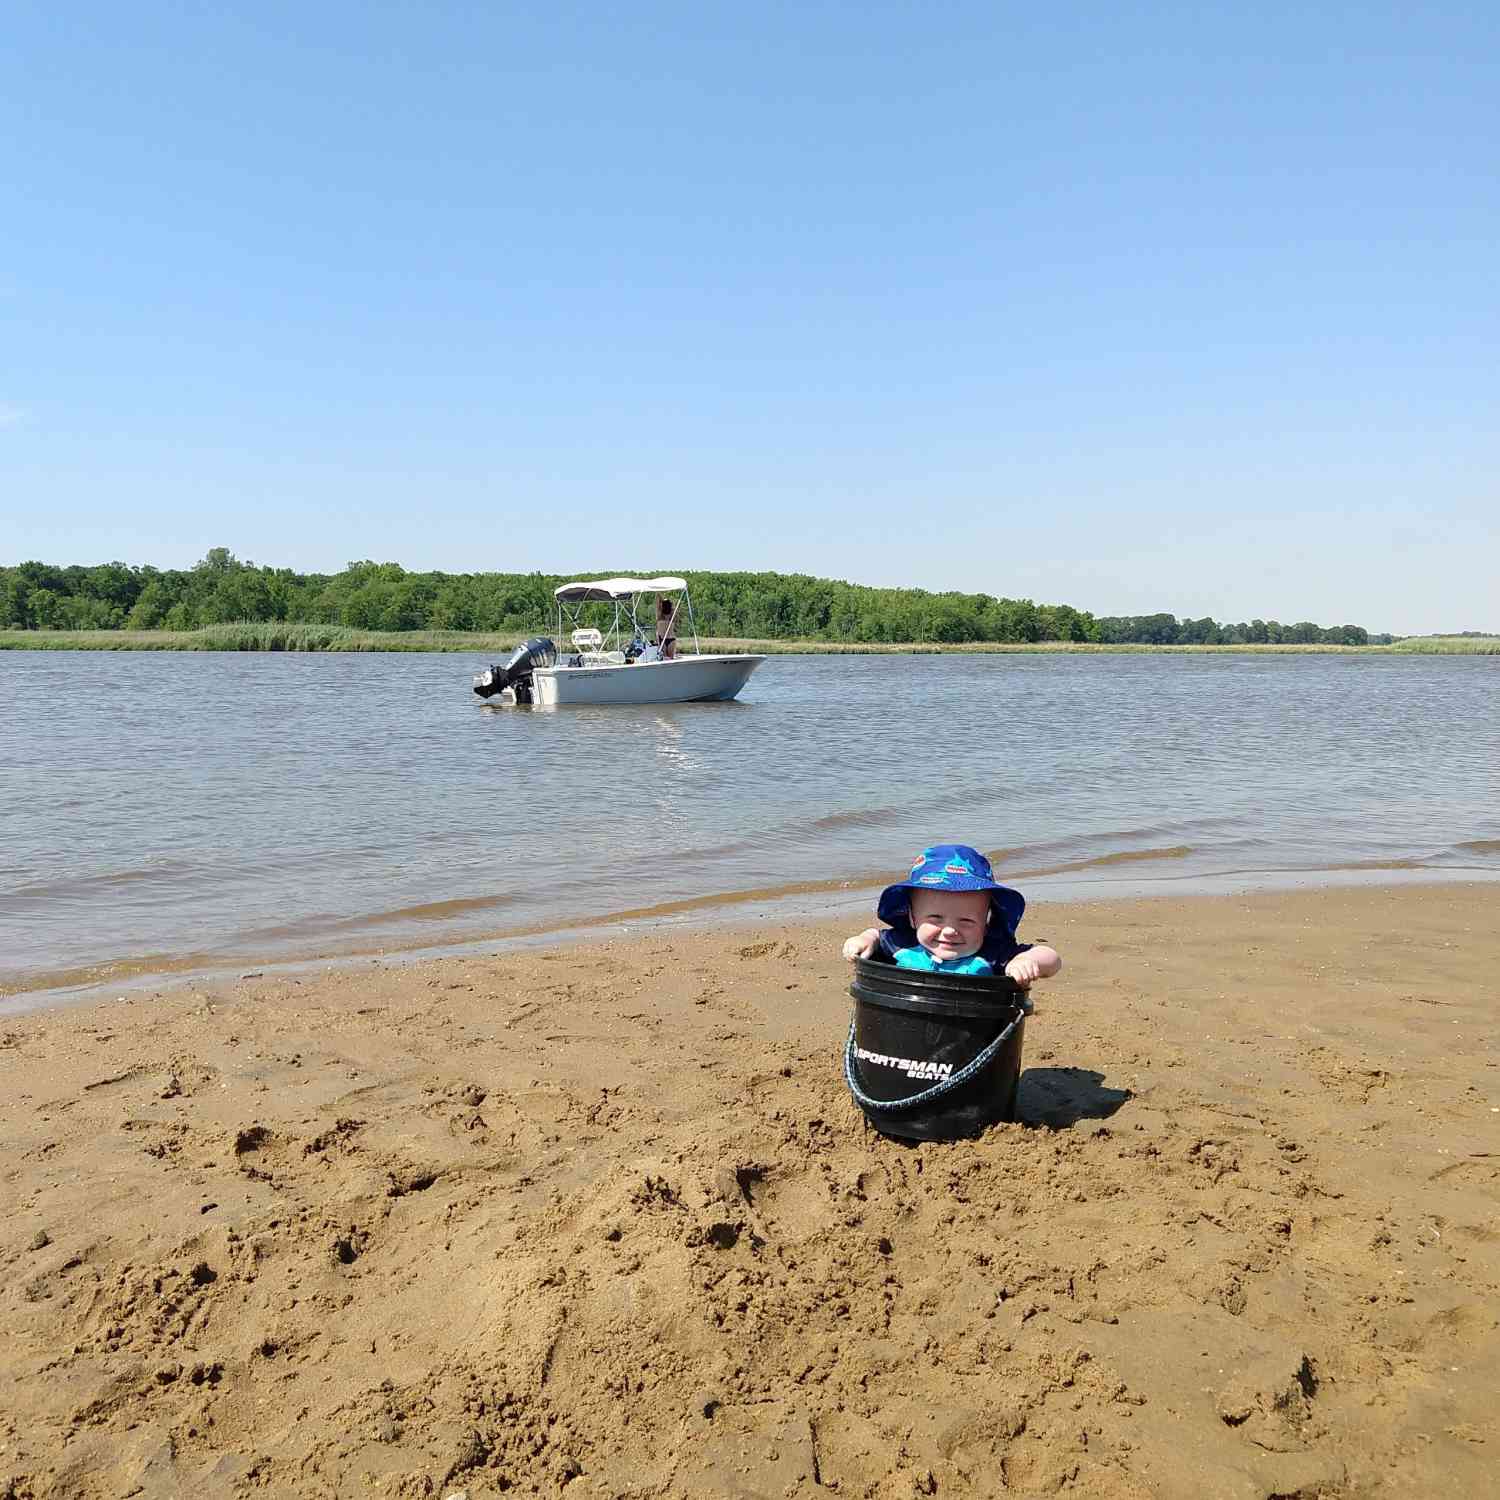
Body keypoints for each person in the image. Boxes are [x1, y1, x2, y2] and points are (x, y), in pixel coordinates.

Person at [841, 844, 1062, 985]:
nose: (949, 931)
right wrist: (863, 940)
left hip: (972, 1037)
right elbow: (876, 936)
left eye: (966, 921)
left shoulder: (993, 953)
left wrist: (1026, 961)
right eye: (935, 919)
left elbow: (1051, 958)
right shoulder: (903, 944)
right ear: (913, 918)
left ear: (986, 923)